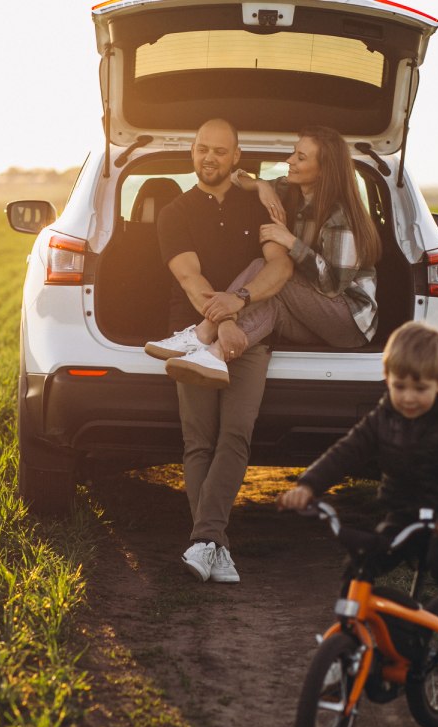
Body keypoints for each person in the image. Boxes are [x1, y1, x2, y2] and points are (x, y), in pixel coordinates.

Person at [276, 321, 438, 692]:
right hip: (404, 517)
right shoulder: (384, 418)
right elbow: (347, 450)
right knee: (360, 561)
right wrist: (309, 485)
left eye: (420, 389)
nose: (408, 397)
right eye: (400, 387)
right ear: (387, 379)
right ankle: (346, 646)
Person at [146, 118, 294, 584]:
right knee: (199, 441)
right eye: (200, 149)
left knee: (236, 436)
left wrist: (241, 307)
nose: (208, 157)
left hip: (250, 338)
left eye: (218, 151)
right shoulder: (175, 212)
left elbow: (281, 266)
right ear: (193, 153)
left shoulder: (257, 205)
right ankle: (213, 543)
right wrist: (223, 322)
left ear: (236, 157)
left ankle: (204, 541)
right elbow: (190, 279)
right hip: (193, 335)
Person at [147, 125, 381, 387]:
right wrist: (259, 185)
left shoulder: (340, 217)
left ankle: (203, 331)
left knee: (265, 267)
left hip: (347, 321)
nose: (289, 161)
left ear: (324, 170)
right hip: (311, 314)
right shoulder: (288, 189)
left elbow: (333, 286)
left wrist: (291, 243)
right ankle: (214, 355)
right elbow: (236, 177)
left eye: (300, 158)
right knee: (271, 301)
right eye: (293, 153)